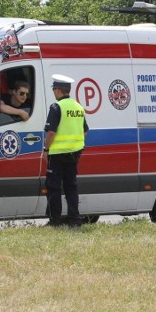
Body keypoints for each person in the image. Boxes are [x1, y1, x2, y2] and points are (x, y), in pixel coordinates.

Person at [43, 74, 88, 227]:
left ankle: (55, 221)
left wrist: (46, 149)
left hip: (57, 154)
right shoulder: (78, 107)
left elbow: (51, 132)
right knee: (71, 187)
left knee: (54, 188)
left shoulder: (56, 107)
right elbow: (85, 131)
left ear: (57, 90)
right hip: (74, 153)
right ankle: (75, 220)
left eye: (54, 89)